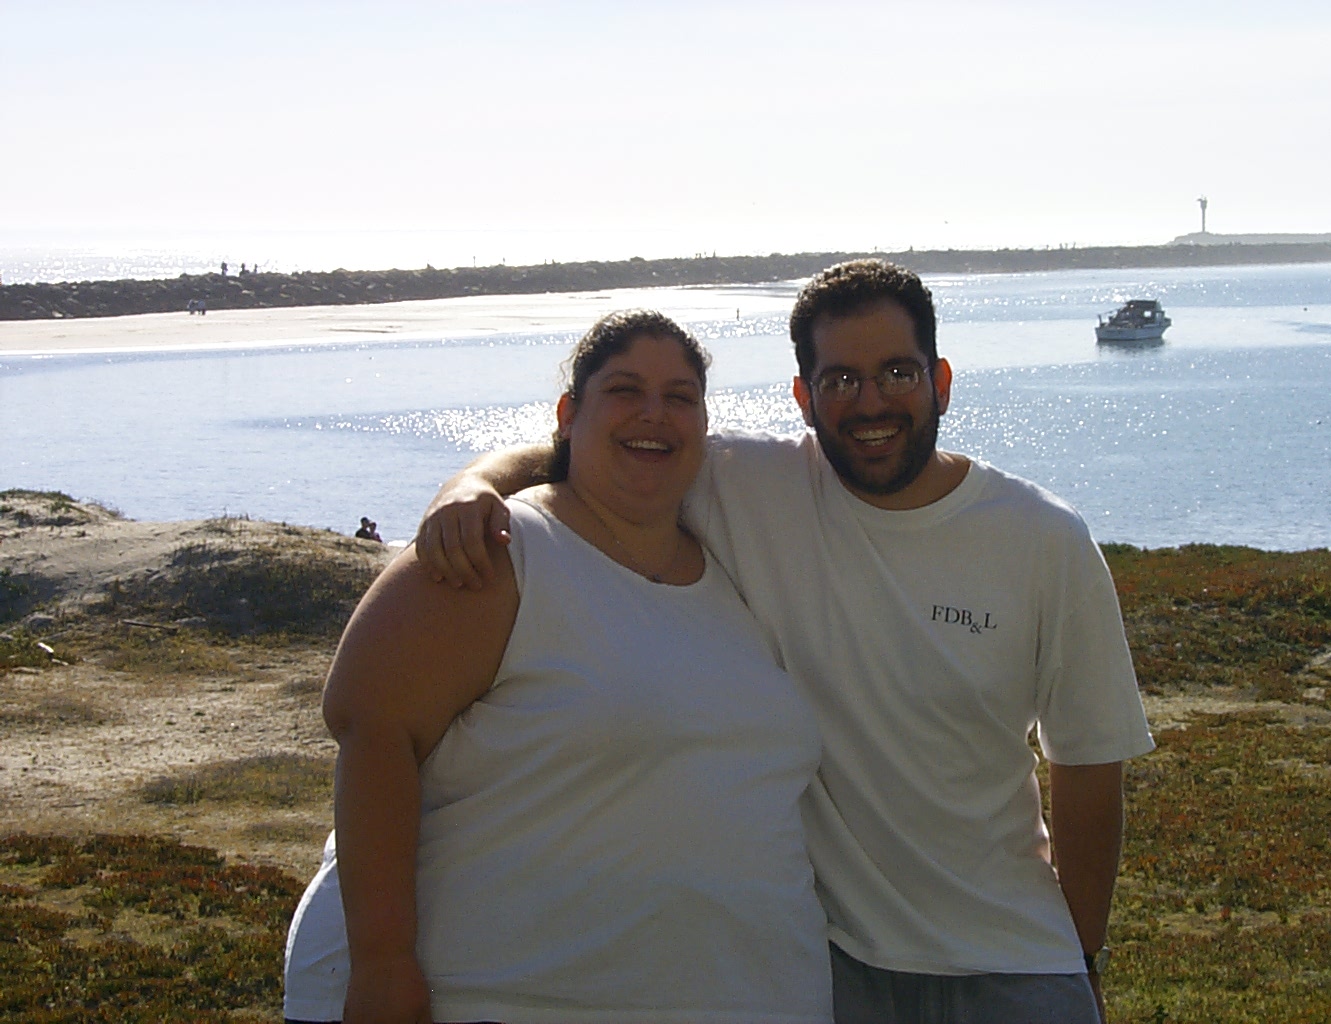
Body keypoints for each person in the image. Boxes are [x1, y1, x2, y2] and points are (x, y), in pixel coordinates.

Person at [416, 260, 1155, 1024]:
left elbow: (1088, 766)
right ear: (803, 398)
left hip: (1015, 961)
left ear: (940, 381)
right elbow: (596, 451)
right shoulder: (747, 484)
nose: (871, 402)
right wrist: (472, 485)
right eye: (841, 380)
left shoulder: (1043, 539)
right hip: (833, 964)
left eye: (897, 373)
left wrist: (1083, 957)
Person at [284, 310, 832, 1023]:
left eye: (680, 397)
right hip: (496, 995)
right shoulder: (501, 548)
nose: (654, 413)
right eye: (625, 390)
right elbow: (370, 722)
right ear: (569, 415)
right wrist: (383, 963)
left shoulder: (729, 562)